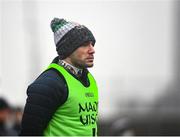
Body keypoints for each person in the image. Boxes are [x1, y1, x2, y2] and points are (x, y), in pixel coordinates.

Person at [20, 18, 98, 136]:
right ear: (68, 49)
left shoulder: (89, 79)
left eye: (92, 44)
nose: (92, 50)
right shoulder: (49, 84)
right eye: (84, 44)